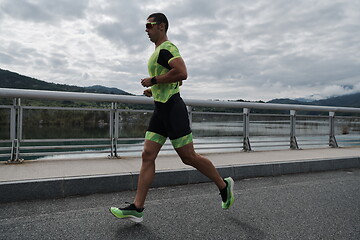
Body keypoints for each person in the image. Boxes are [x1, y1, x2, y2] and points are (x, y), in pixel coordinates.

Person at [109, 13, 234, 223]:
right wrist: (155, 88)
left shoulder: (168, 48)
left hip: (173, 108)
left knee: (188, 157)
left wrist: (153, 80)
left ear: (162, 26)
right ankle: (137, 208)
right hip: (161, 109)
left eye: (149, 25)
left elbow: (182, 72)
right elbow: (175, 78)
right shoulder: (159, 51)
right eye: (145, 26)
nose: (146, 30)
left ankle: (224, 185)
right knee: (147, 154)